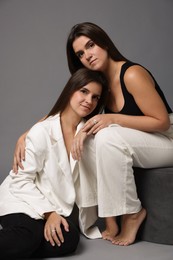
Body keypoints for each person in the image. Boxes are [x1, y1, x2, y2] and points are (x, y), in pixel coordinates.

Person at [13, 22, 173, 246]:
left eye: (90, 45)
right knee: (88, 140)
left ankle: (132, 213)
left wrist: (112, 118)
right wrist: (27, 134)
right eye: (80, 53)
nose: (87, 55)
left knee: (107, 136)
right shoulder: (100, 86)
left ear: (105, 44)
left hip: (168, 139)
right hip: (140, 140)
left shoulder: (132, 74)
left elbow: (162, 121)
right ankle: (109, 219)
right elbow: (65, 112)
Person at [0, 67, 109, 258]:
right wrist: (49, 214)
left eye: (95, 97)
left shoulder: (88, 135)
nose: (89, 101)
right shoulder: (42, 130)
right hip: (20, 198)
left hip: (53, 206)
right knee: (28, 237)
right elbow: (20, 181)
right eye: (84, 91)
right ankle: (25, 239)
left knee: (68, 239)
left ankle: (23, 243)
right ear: (71, 90)